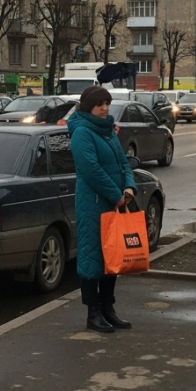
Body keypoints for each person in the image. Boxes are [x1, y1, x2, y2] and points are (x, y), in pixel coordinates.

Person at [68, 86, 137, 333]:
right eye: (100, 104)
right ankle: (93, 313)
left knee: (112, 258)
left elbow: (123, 164)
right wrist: (117, 195)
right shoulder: (82, 133)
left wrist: (129, 188)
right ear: (88, 106)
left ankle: (109, 309)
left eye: (107, 103)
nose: (105, 108)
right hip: (93, 205)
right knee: (91, 258)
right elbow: (91, 170)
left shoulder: (107, 130)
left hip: (114, 203)